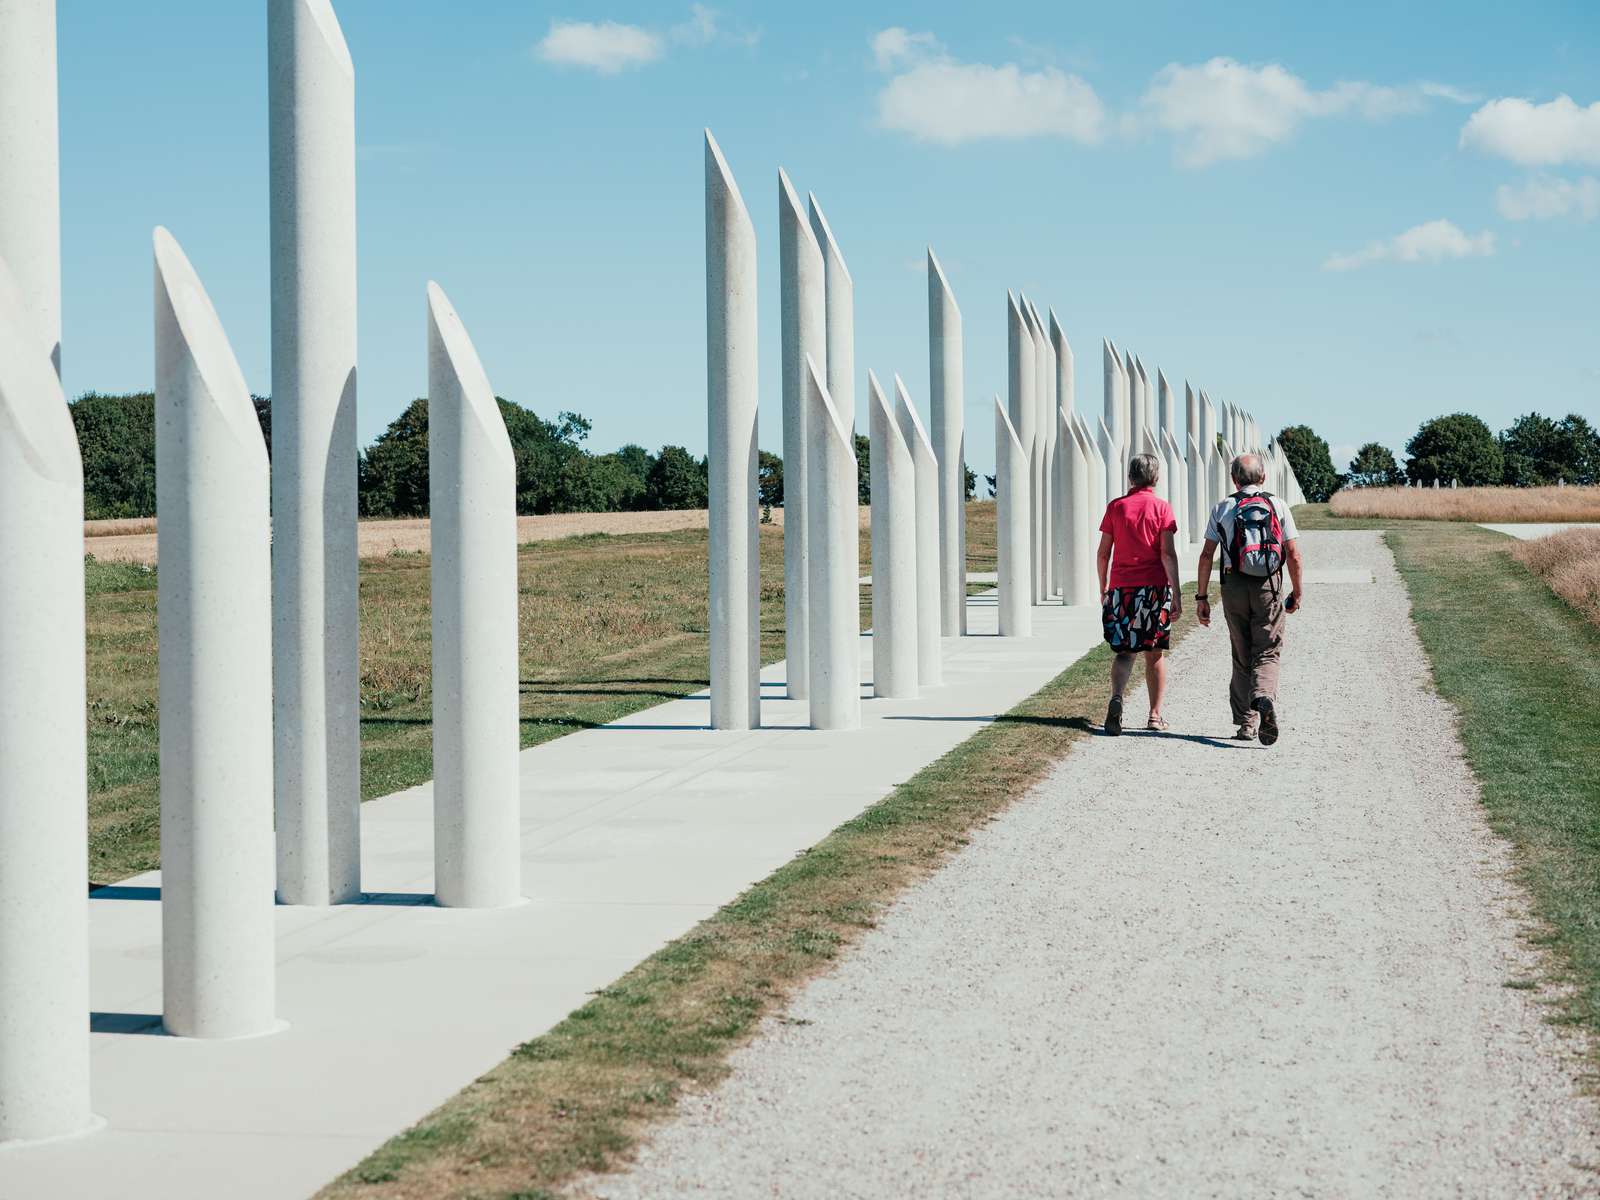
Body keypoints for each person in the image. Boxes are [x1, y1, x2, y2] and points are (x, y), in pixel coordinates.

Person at [1195, 453, 1304, 745]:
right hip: (1268, 584)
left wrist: (1202, 597)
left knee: (1242, 653)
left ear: (1234, 479)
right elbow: (1292, 553)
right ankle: (1264, 697)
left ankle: (1246, 723)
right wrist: (1297, 590)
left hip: (1233, 584)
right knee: (1267, 650)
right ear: (1263, 477)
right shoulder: (1277, 505)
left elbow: (1207, 555)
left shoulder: (1223, 507)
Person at [1097, 452, 1182, 736]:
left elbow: (1103, 553)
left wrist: (1103, 588)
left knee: (1124, 652)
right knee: (1154, 654)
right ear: (1156, 478)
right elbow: (1167, 554)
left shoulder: (1116, 508)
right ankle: (1155, 715)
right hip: (1154, 589)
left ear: (1130, 477)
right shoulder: (1162, 508)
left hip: (1122, 588)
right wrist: (1177, 594)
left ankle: (1117, 698)